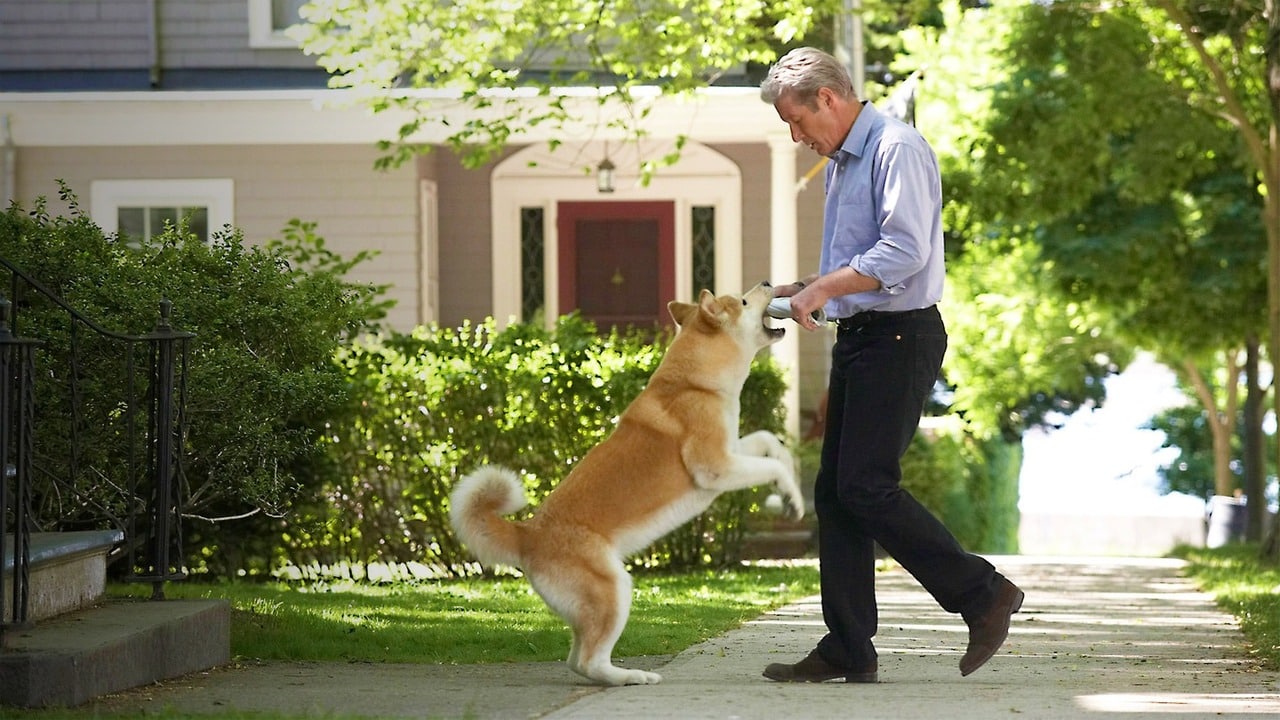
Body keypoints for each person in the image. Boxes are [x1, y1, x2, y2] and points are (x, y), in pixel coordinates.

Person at [759, 46, 1024, 683]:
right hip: (863, 337)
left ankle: (983, 595)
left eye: (797, 121)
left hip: (901, 336)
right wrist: (804, 287)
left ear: (828, 97)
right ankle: (849, 645)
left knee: (865, 485)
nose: (796, 138)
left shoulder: (894, 148)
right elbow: (858, 262)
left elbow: (902, 251)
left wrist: (823, 292)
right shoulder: (842, 164)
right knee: (836, 491)